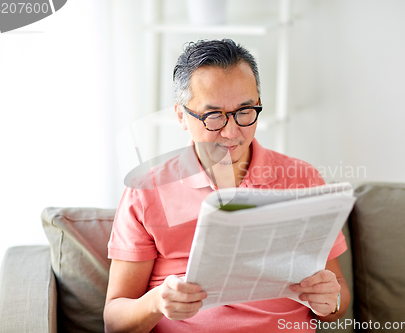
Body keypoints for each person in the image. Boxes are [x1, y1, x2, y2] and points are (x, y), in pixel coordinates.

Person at [104, 39, 349, 333]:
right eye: (214, 116)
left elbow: (337, 299)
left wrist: (329, 301)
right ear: (181, 115)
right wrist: (157, 301)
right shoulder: (146, 190)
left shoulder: (302, 178)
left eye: (245, 111)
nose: (232, 132)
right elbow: (114, 322)